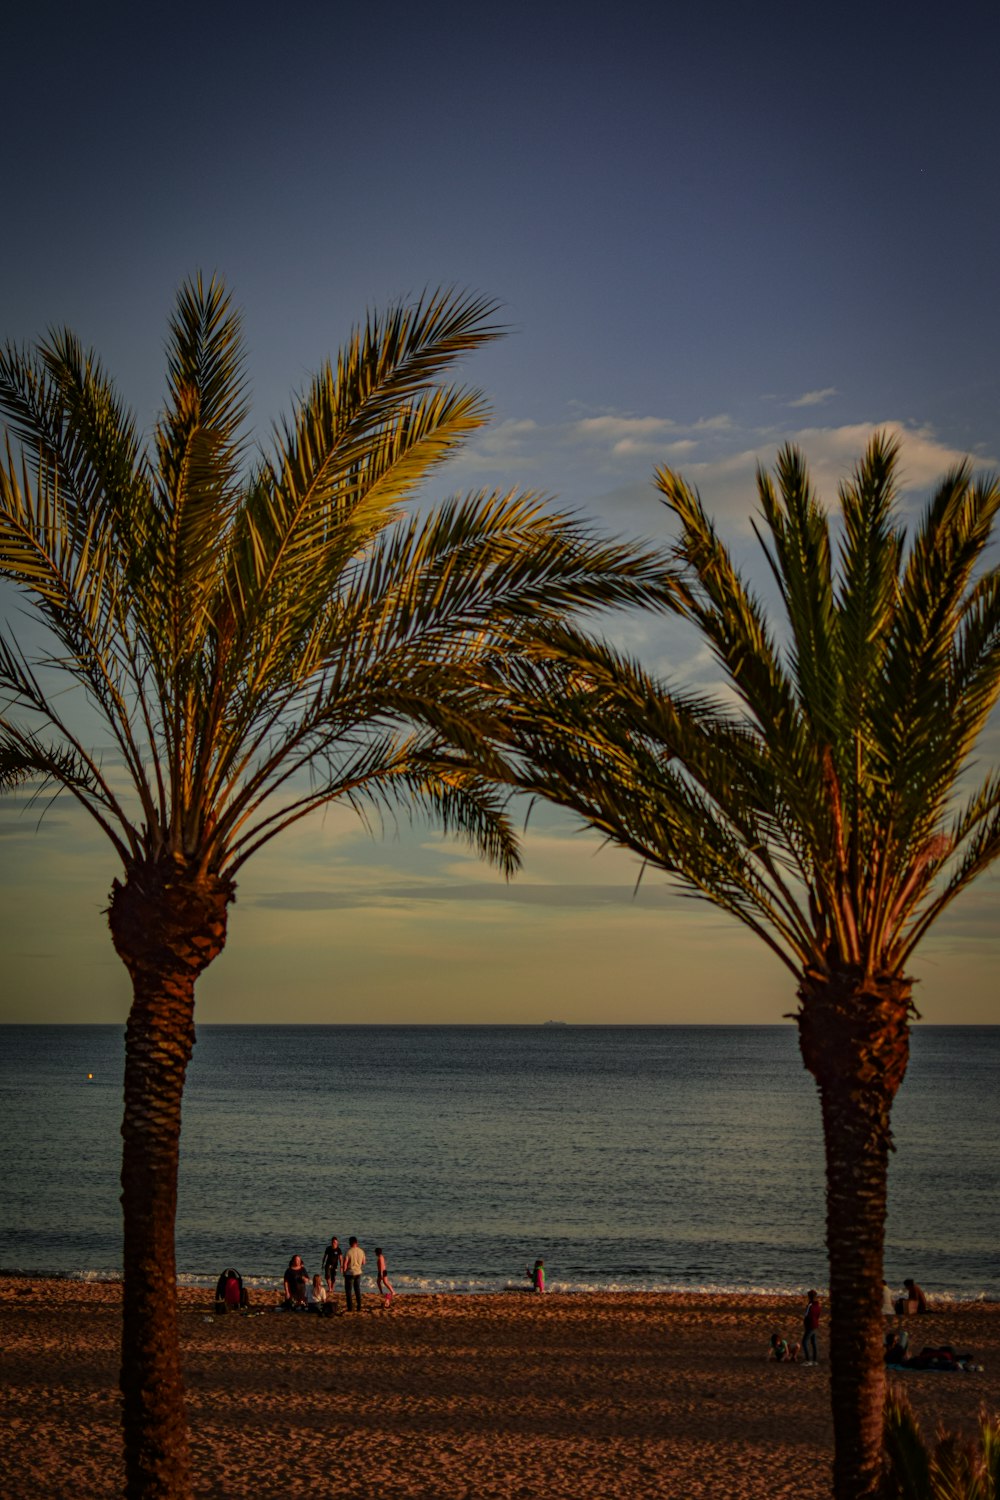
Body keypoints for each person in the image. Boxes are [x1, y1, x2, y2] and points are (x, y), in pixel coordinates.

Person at [342, 1236, 366, 1312]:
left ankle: (350, 1308)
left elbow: (345, 1264)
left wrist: (344, 1272)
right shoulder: (361, 1251)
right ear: (356, 1242)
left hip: (350, 1273)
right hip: (358, 1272)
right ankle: (359, 1306)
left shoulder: (348, 1252)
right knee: (357, 1290)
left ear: (350, 1243)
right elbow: (364, 1262)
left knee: (349, 1291)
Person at [802, 1289, 821, 1363]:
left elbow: (806, 1315)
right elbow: (818, 1315)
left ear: (809, 1297)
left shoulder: (810, 1305)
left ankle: (808, 1360)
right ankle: (814, 1360)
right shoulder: (818, 1305)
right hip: (815, 1325)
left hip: (810, 1326)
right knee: (813, 1343)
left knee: (804, 1342)